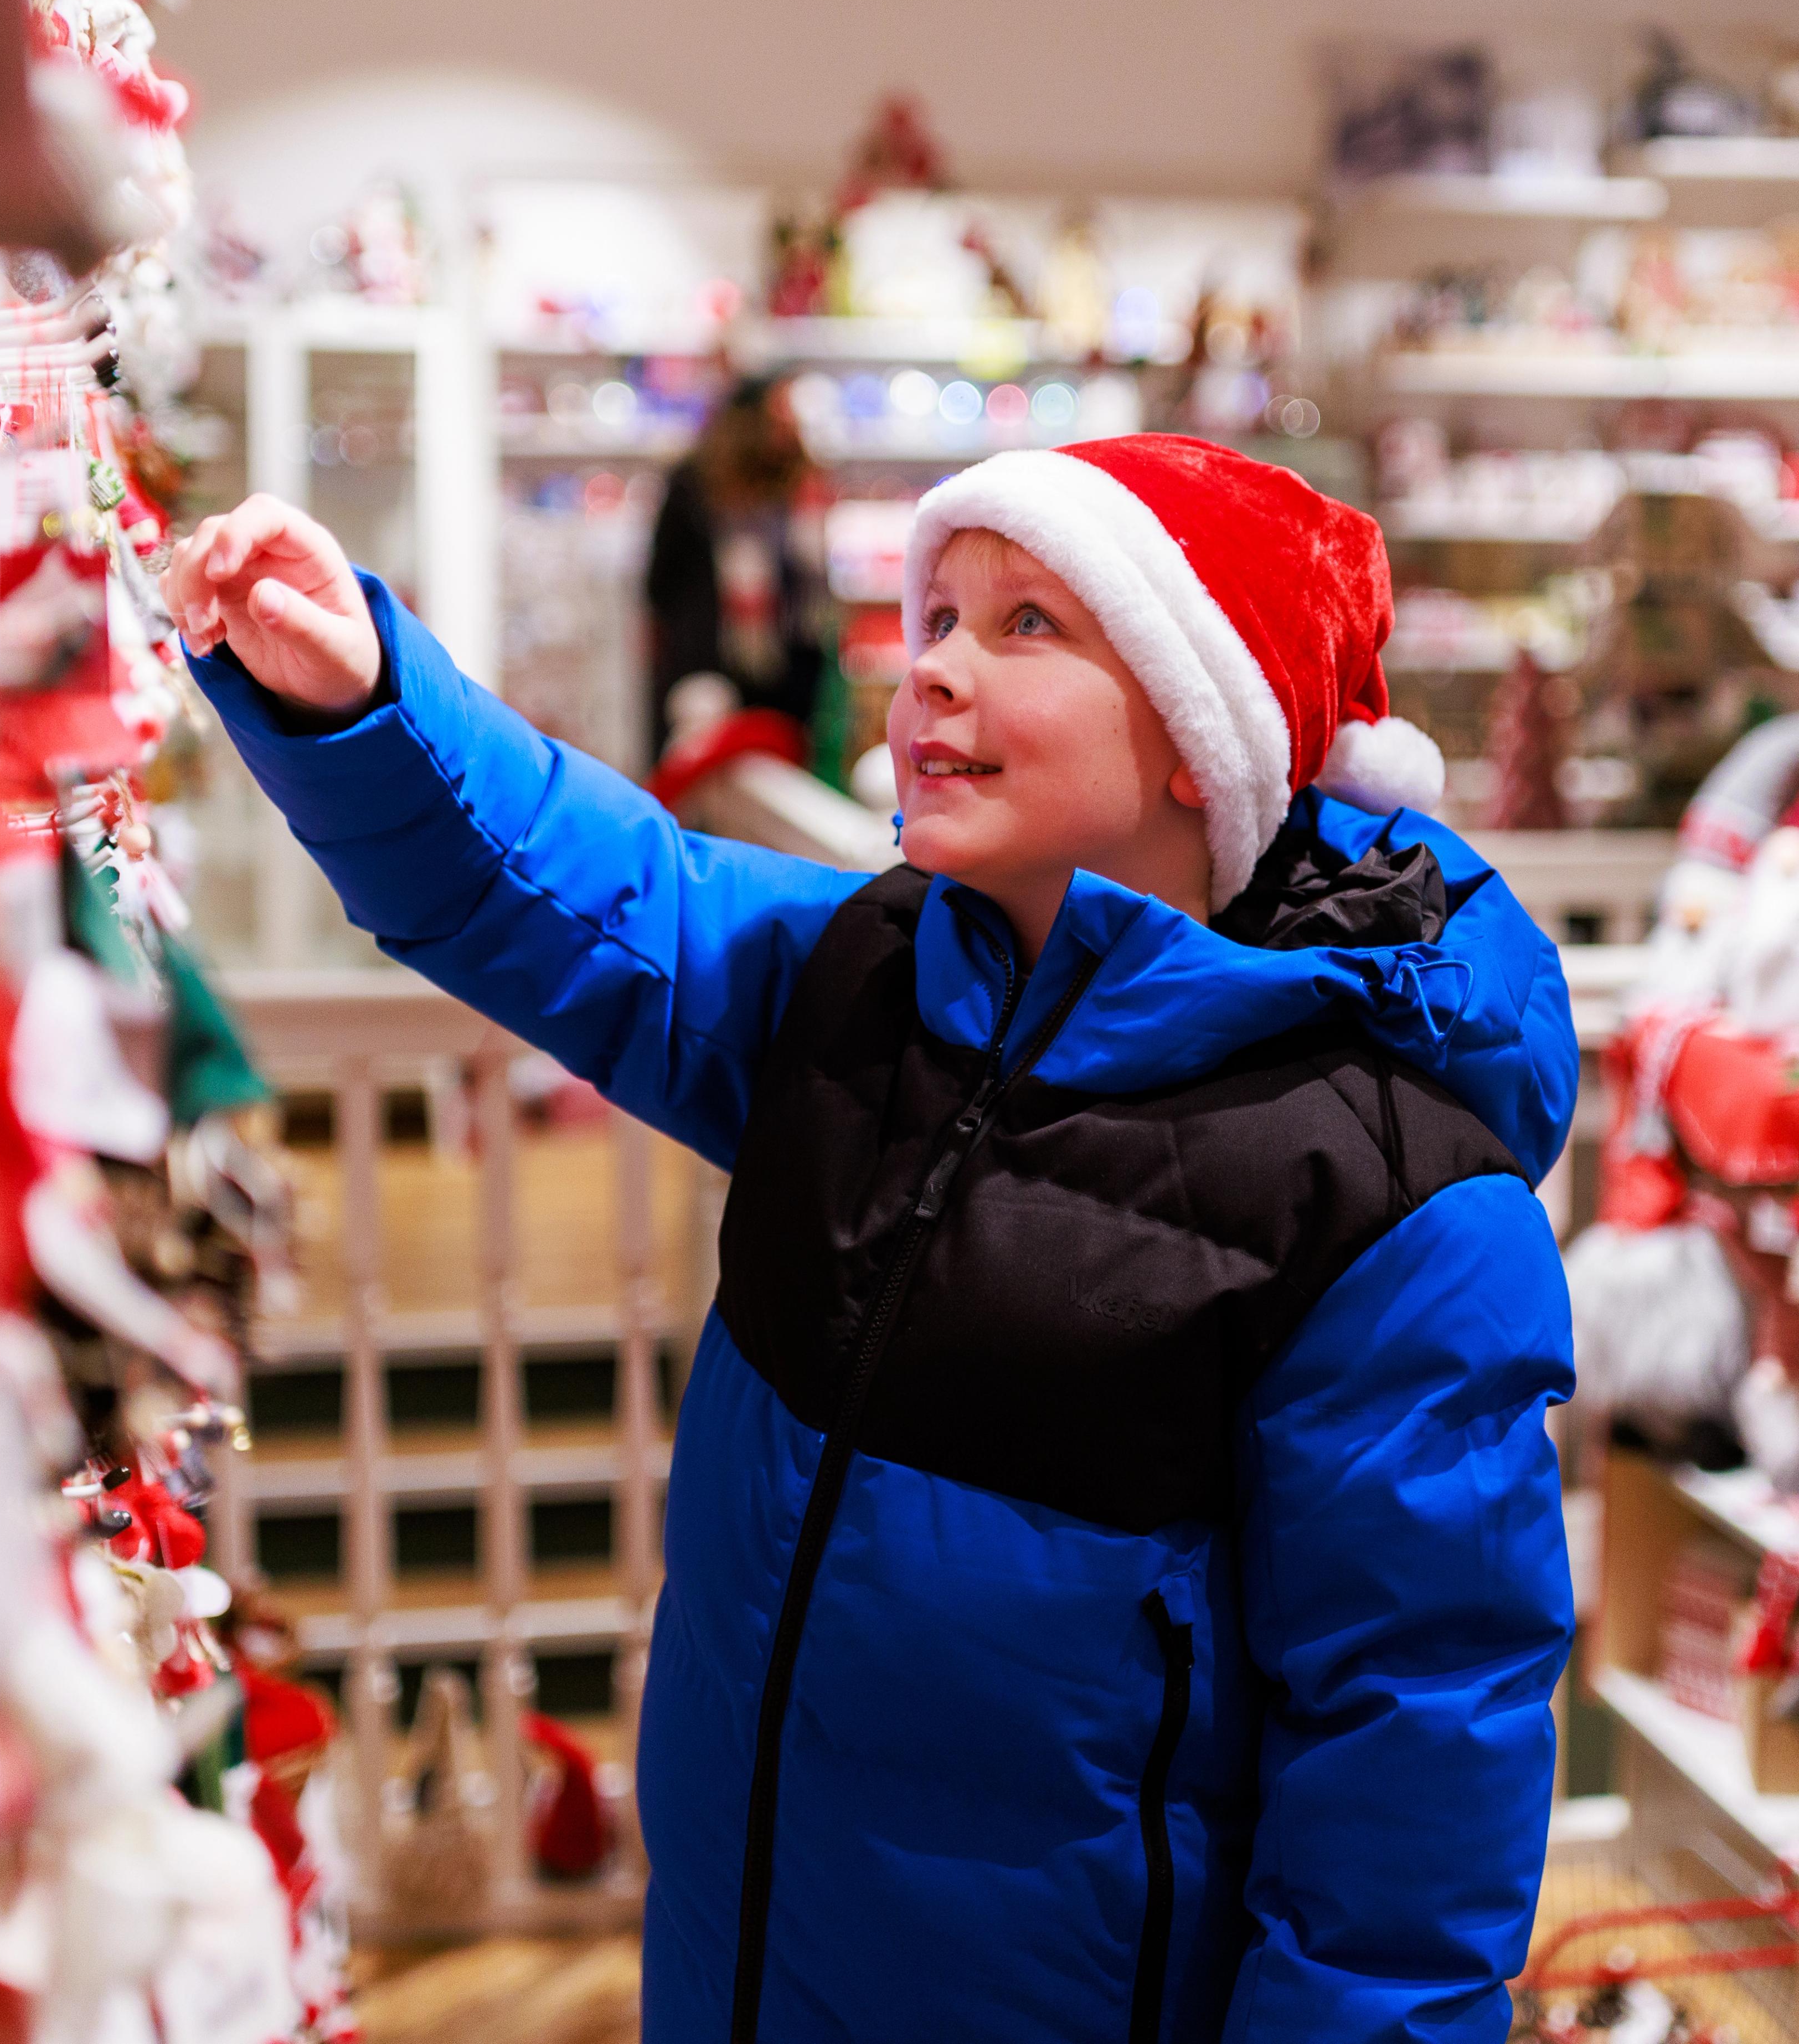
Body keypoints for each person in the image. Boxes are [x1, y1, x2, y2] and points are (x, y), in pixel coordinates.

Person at [165, 435, 1576, 2044]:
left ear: (1204, 734)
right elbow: (585, 890)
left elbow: (1406, 1808)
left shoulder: (1386, 1207)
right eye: (937, 616)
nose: (932, 675)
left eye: (1026, 624)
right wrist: (363, 702)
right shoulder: (861, 979)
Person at [645, 374, 827, 757]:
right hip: (706, 675)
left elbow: (811, 588)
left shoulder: (799, 490)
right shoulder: (693, 486)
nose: (790, 427)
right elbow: (661, 586)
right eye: (779, 416)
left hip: (783, 680)